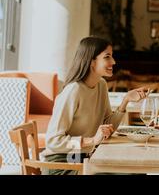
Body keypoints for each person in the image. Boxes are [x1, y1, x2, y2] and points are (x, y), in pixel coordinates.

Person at [43, 37, 148, 175]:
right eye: (107, 57)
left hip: (86, 158)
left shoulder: (101, 85)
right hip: (63, 163)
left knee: (136, 171)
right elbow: (53, 141)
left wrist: (126, 100)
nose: (113, 62)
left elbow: (107, 126)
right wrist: (91, 140)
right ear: (92, 62)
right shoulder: (73, 90)